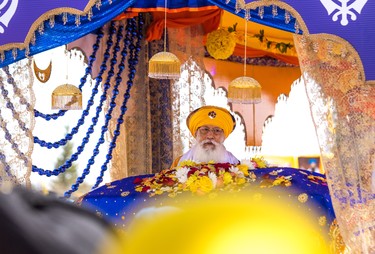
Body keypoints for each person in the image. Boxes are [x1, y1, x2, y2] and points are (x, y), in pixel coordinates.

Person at [171, 105, 239, 168]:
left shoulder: (236, 165)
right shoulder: (178, 163)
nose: (210, 136)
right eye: (205, 129)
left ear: (224, 137)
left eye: (217, 131)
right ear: (196, 134)